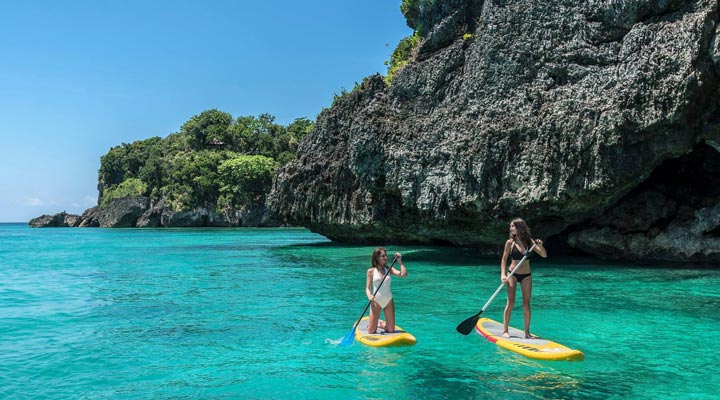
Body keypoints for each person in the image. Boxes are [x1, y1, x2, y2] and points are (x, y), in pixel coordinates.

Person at [500, 218, 547, 339]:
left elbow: (544, 255)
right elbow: (504, 259)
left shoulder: (530, 242)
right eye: (510, 226)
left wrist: (540, 245)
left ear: (520, 227)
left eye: (512, 226)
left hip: (527, 275)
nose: (510, 228)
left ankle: (527, 332)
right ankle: (505, 330)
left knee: (526, 304)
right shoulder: (510, 242)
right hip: (512, 274)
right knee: (510, 302)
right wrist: (503, 275)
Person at [366, 247, 407, 334]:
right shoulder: (371, 271)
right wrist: (369, 295)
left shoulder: (389, 269)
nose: (386, 258)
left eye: (386, 255)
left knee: (390, 330)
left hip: (388, 301)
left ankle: (381, 324)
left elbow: (403, 275)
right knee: (371, 331)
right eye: (383, 256)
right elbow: (367, 288)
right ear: (377, 258)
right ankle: (376, 323)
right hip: (376, 301)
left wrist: (399, 261)